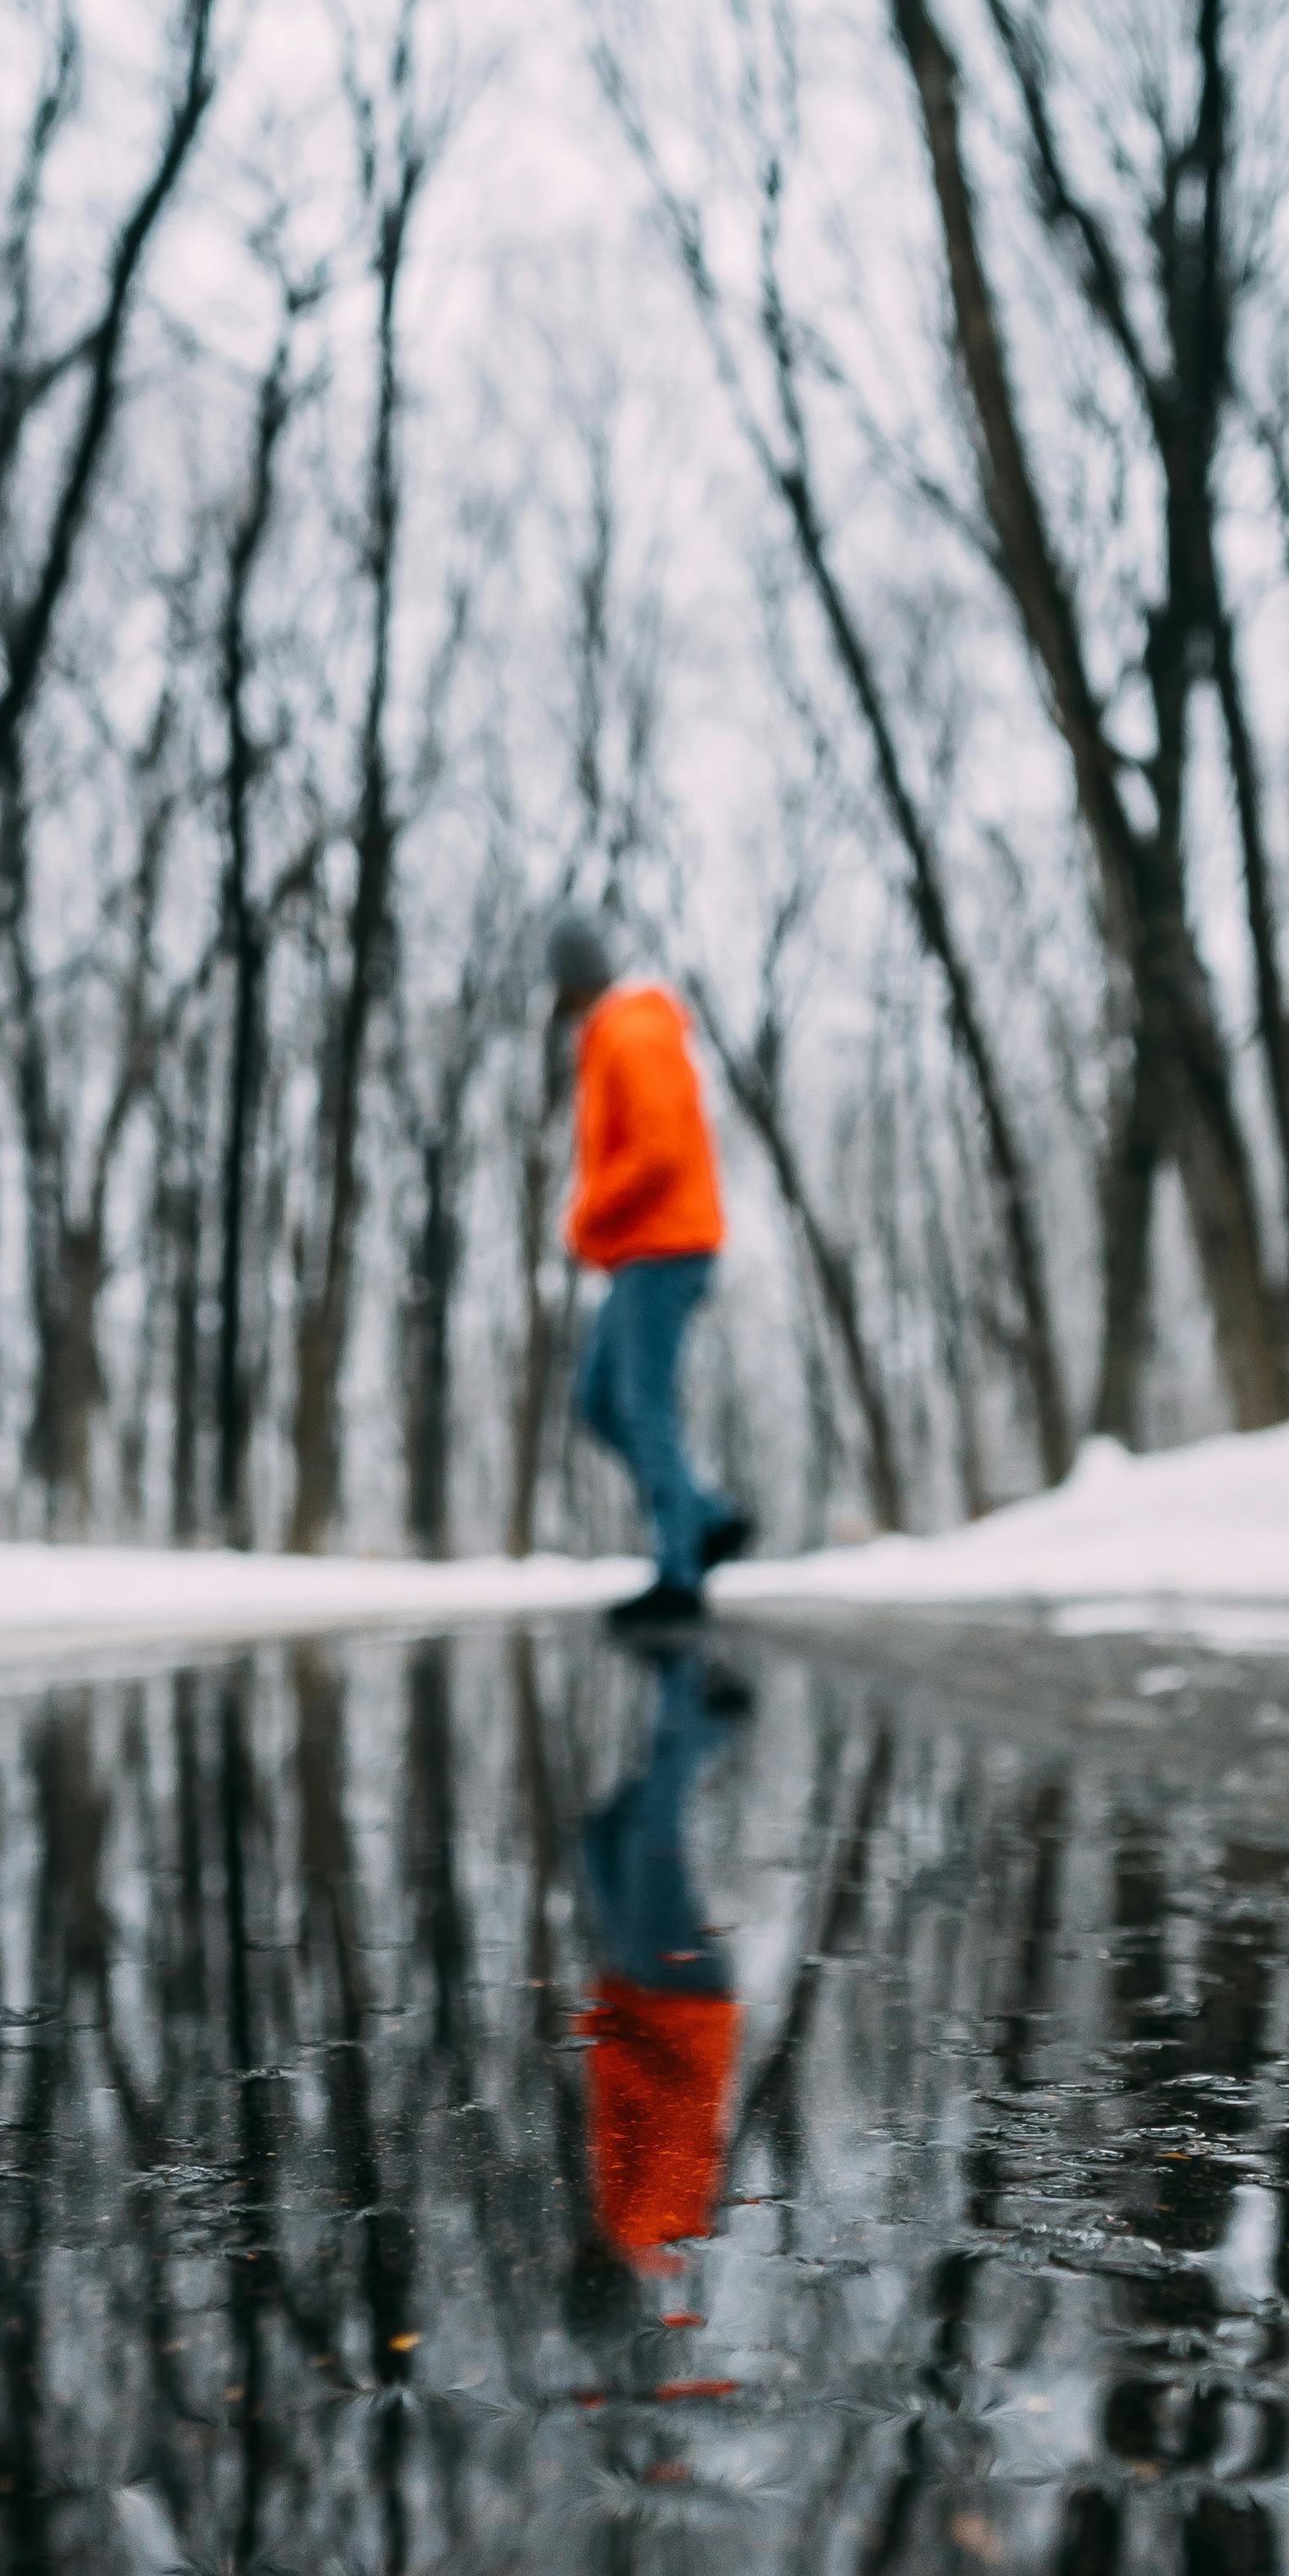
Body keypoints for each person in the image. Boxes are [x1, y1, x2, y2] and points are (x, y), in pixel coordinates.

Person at [545, 905, 750, 1633]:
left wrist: (586, 1214)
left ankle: (679, 1570)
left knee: (643, 1405)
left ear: (571, 981)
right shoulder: (614, 1035)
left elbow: (659, 1149)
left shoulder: (630, 1032)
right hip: (645, 1250)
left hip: (662, 1246)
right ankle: (703, 1518)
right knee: (602, 1399)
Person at [577, 1645, 745, 2269]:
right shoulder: (650, 2225)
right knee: (654, 1830)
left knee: (603, 1836)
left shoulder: (630, 2226)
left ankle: (709, 1720)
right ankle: (684, 1675)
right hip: (679, 2002)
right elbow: (677, 2111)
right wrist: (609, 2040)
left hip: (642, 1992)